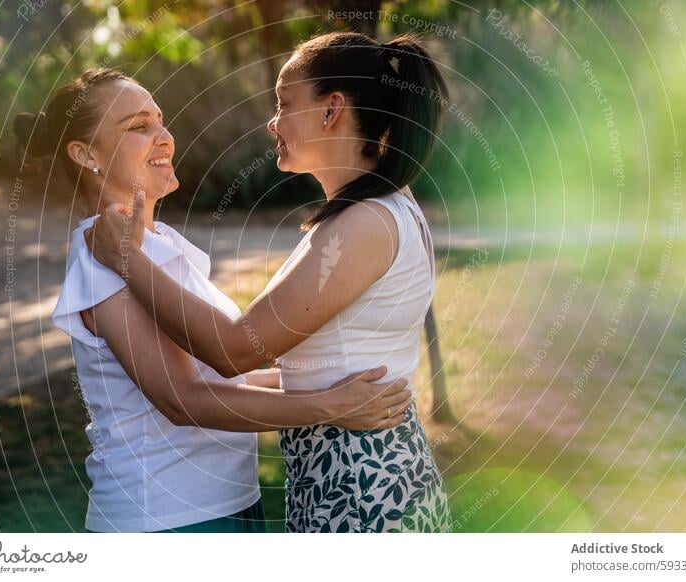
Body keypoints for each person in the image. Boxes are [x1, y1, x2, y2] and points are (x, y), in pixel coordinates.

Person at [13, 67, 412, 533]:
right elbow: (184, 400)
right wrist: (331, 407)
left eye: (160, 121)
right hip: (163, 519)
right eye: (138, 126)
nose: (164, 137)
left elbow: (226, 373)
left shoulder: (160, 245)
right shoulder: (102, 262)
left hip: (230, 504)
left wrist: (323, 378)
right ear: (85, 154)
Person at [87, 31, 452, 533]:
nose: (272, 122)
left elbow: (237, 349)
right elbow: (308, 366)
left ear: (331, 110)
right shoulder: (374, 210)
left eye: (284, 104)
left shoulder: (364, 223)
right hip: (347, 471)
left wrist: (127, 257)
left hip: (362, 484)